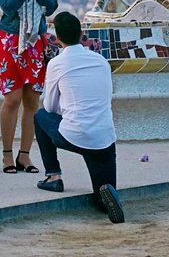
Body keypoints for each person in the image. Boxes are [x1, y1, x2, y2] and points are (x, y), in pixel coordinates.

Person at [33, 11, 124, 224]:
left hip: (74, 135)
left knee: (39, 116)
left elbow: (49, 106)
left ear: (57, 38)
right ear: (81, 33)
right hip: (104, 137)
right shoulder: (101, 61)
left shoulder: (56, 64)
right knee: (104, 192)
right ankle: (104, 197)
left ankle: (53, 176)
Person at [0, 0, 58, 174]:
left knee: (32, 101)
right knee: (12, 99)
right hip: (10, 42)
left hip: (35, 44)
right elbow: (9, 7)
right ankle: (7, 155)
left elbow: (50, 8)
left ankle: (25, 155)